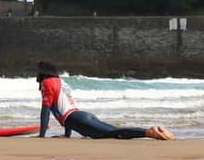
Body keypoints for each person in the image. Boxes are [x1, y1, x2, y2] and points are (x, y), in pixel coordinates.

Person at [36, 60, 174, 140]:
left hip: (76, 119)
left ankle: (150, 132)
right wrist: (67, 135)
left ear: (43, 72)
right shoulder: (60, 82)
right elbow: (65, 108)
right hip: (82, 116)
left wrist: (41, 137)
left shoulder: (46, 83)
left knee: (114, 134)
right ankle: (152, 131)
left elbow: (46, 111)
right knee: (114, 131)